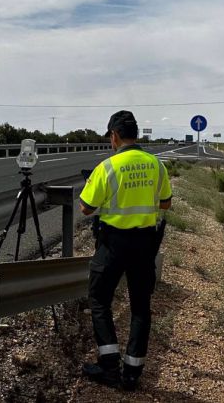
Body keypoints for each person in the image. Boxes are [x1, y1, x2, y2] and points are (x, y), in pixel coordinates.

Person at [79, 110, 172, 391]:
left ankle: (109, 367)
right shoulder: (156, 165)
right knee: (141, 307)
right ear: (136, 134)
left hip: (112, 244)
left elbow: (85, 207)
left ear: (115, 136)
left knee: (99, 300)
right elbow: (165, 204)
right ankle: (132, 373)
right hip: (145, 244)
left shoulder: (107, 167)